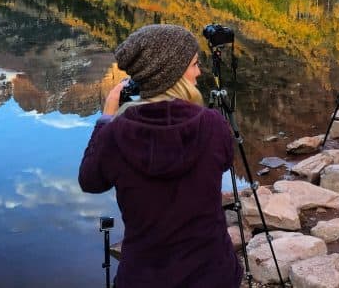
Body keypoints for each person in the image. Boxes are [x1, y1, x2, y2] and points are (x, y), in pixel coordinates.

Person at [78, 24, 242, 288]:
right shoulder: (213, 126)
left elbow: (90, 181)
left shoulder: (115, 135)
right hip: (213, 274)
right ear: (173, 75)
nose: (199, 72)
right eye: (194, 64)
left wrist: (107, 117)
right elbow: (224, 161)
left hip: (144, 277)